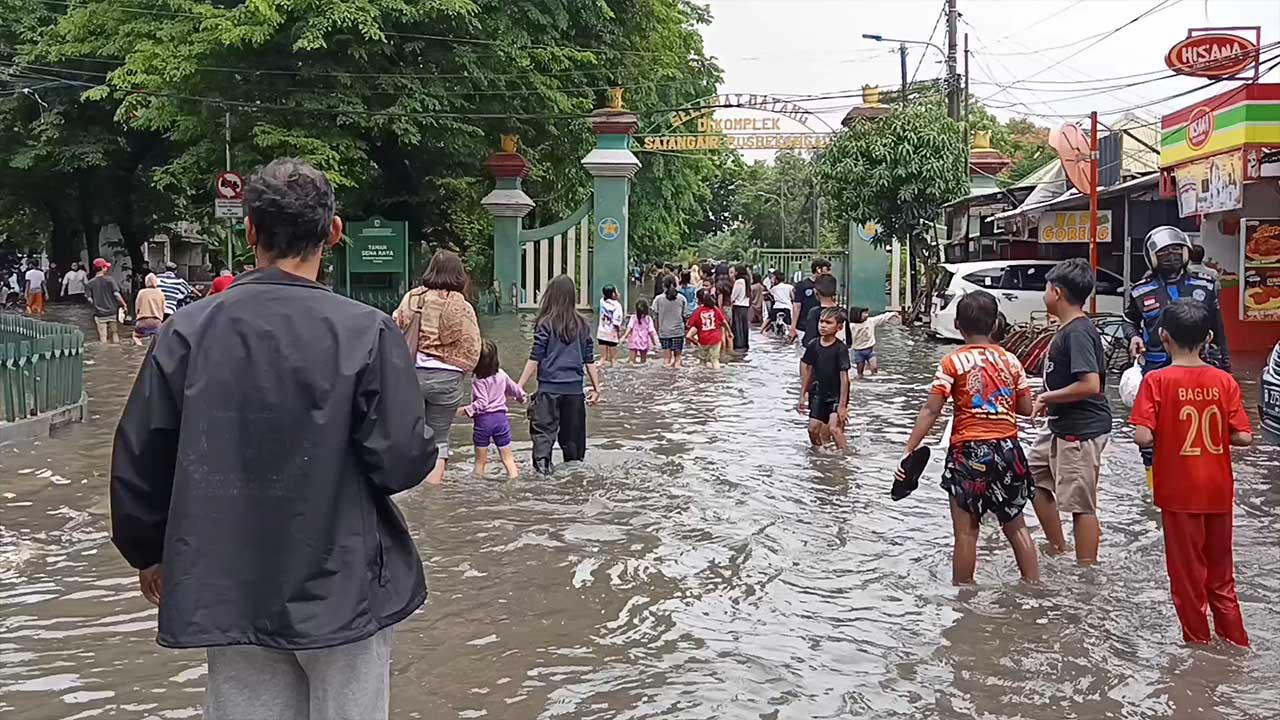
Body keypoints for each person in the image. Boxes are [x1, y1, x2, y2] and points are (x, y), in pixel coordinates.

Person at [110, 158, 434, 719]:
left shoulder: (186, 331)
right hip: (346, 583)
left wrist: (150, 552)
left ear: (250, 230)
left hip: (229, 581)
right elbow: (401, 460)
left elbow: (141, 455)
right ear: (333, 233)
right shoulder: (365, 330)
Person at [1129, 299, 1252, 647]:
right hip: (1218, 492)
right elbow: (1243, 436)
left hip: (1179, 495)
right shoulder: (1224, 381)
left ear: (1163, 338)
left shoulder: (1156, 381)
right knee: (1222, 579)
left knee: (1187, 581)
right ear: (1209, 338)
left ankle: (1199, 651)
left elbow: (1143, 435)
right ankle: (1237, 644)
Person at [896, 290, 1039, 585]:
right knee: (1016, 526)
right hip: (1008, 449)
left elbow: (930, 410)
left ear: (958, 324)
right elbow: (1025, 409)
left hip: (967, 452)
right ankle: (1034, 587)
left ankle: (963, 601)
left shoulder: (952, 363)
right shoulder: (1012, 362)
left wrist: (910, 448)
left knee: (965, 532)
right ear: (995, 324)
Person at [1025, 259, 1113, 564]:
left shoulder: (1077, 331)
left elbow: (1091, 385)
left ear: (1057, 292)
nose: (1043, 294)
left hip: (1081, 427)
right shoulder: (1067, 328)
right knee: (1033, 477)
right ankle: (1058, 548)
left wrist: (1047, 396)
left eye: (1046, 288)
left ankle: (1085, 571)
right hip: (1059, 424)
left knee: (1081, 504)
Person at [392, 249, 482, 485]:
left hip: (412, 376)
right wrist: (460, 372)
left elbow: (395, 326)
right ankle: (432, 492)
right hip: (448, 379)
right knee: (439, 438)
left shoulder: (413, 298)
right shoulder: (462, 306)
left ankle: (408, 487)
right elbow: (473, 346)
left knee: (411, 434)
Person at [516, 274, 602, 475]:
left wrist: (518, 386)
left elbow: (535, 358)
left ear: (551, 295)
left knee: (543, 437)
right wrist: (597, 389)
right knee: (573, 443)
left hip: (548, 390)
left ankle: (544, 477)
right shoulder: (582, 325)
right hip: (574, 392)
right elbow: (589, 360)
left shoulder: (545, 324)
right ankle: (573, 483)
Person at [1126, 226, 1230, 374]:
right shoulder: (1140, 291)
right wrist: (1134, 336)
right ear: (1152, 256)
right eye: (1163, 252)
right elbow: (1129, 321)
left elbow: (1217, 328)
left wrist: (1224, 363)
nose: (1171, 255)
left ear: (1186, 252)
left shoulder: (1205, 285)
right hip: (1155, 367)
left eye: (1176, 249)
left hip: (1198, 365)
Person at [458, 340, 527, 480]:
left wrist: (466, 410)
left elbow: (482, 403)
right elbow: (515, 389)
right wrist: (522, 398)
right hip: (501, 420)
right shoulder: (501, 374)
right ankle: (514, 481)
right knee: (508, 459)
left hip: (483, 422)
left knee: (480, 461)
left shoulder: (478, 380)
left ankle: (477, 482)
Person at [797, 307, 852, 449]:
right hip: (818, 393)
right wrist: (803, 394)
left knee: (835, 428)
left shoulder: (841, 349)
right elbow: (808, 370)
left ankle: (845, 458)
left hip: (836, 395)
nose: (823, 325)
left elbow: (844, 377)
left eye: (828, 323)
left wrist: (842, 405)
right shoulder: (813, 345)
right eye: (821, 322)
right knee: (812, 429)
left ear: (839, 327)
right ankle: (821, 455)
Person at [799, 273, 854, 347]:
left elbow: (809, 340)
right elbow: (848, 340)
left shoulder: (814, 312)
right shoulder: (843, 312)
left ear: (816, 292)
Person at [686, 290, 732, 369]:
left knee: (702, 361)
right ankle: (717, 376)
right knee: (715, 360)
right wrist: (729, 332)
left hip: (703, 339)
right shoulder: (715, 309)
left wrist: (696, 341)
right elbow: (724, 322)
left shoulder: (698, 311)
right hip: (715, 338)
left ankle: (703, 378)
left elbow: (688, 324)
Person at [848, 306, 898, 378]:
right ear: (857, 314)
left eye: (867, 313)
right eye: (864, 313)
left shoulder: (870, 321)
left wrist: (892, 314)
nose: (867, 315)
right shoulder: (851, 326)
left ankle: (874, 382)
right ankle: (861, 383)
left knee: (874, 369)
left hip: (870, 350)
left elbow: (881, 318)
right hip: (858, 352)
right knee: (860, 373)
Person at [789, 258, 831, 343]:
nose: (829, 272)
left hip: (821, 326)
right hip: (803, 326)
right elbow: (797, 306)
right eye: (827, 269)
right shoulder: (802, 285)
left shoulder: (827, 285)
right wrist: (793, 327)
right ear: (818, 269)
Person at [85, 258, 126, 343]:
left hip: (99, 313)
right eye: (106, 267)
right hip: (112, 312)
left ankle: (103, 352)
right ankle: (116, 350)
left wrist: (96, 303)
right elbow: (116, 294)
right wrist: (124, 304)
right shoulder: (110, 280)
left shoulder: (90, 283)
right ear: (103, 268)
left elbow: (89, 299)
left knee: (102, 336)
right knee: (115, 333)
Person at [654, 277, 689, 368]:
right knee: (678, 358)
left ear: (663, 285)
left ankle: (666, 379)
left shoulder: (658, 299)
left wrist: (657, 330)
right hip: (678, 332)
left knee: (666, 359)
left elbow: (655, 317)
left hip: (664, 332)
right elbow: (685, 316)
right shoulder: (682, 299)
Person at [620, 298, 659, 364]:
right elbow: (651, 332)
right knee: (643, 361)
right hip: (644, 342)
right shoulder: (648, 319)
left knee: (631, 361)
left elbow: (629, 328)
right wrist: (654, 343)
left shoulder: (633, 317)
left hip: (634, 340)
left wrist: (624, 337)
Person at [132, 273, 166, 346]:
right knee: (156, 340)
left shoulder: (141, 292)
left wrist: (137, 318)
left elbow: (137, 309)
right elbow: (163, 309)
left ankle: (139, 347)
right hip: (156, 322)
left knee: (135, 336)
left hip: (142, 321)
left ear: (146, 282)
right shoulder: (160, 293)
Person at [597, 284, 624, 368]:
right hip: (612, 334)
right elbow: (616, 323)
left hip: (601, 333)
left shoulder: (602, 301)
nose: (618, 293)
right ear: (613, 295)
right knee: (613, 360)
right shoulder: (617, 306)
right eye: (617, 292)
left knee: (602, 359)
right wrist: (619, 333)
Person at [729, 264, 751, 352]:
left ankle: (738, 345)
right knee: (744, 326)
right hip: (745, 306)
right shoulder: (747, 280)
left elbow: (733, 296)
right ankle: (744, 344)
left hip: (738, 306)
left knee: (737, 326)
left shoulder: (739, 282)